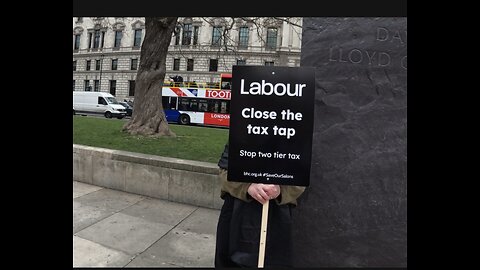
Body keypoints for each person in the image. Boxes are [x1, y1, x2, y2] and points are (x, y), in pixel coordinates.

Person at [214, 143, 306, 267]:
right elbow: (224, 171)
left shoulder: (294, 138)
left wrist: (280, 190)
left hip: (277, 217)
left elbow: (300, 178)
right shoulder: (240, 133)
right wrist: (247, 187)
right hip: (237, 212)